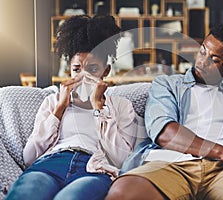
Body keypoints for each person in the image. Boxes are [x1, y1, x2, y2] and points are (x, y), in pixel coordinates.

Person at [105, 24, 223, 199]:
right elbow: (164, 132)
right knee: (122, 194)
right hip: (171, 164)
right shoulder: (169, 84)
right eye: (202, 51)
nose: (202, 62)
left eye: (214, 59)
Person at [6, 15, 140, 200]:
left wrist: (99, 108)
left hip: (93, 169)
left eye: (92, 69)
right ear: (70, 69)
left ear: (106, 71)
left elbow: (122, 159)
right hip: (50, 164)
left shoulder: (120, 105)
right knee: (26, 193)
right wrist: (60, 108)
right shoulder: (53, 102)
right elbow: (29, 157)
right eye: (77, 69)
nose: (83, 77)